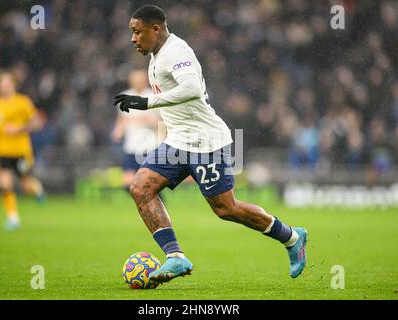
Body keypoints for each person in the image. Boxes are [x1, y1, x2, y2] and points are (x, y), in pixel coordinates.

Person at [113, 5, 307, 284]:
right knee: (140, 187)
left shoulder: (176, 52)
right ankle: (175, 256)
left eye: (137, 32)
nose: (133, 39)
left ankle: (291, 236)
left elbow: (190, 88)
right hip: (179, 140)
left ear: (155, 29)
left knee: (226, 209)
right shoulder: (156, 55)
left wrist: (147, 102)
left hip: (205, 141)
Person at [0, 71, 45, 231]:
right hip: (3, 151)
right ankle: (13, 218)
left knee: (26, 185)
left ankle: (38, 190)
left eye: (7, 84)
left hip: (21, 152)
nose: (4, 87)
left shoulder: (22, 102)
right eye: (1, 84)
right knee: (5, 185)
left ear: (13, 85)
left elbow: (37, 123)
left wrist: (19, 129)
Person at [111, 69, 163, 191]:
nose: (138, 82)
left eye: (140, 80)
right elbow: (122, 118)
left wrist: (150, 123)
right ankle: (148, 204)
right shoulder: (124, 97)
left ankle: (157, 206)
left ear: (146, 81)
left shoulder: (154, 98)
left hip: (149, 147)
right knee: (128, 184)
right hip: (131, 147)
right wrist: (118, 130)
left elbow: (163, 123)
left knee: (148, 184)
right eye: (135, 80)